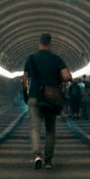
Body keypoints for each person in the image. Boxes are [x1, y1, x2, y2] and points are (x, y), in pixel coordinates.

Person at [22, 32, 72, 169]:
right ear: (50, 44)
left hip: (34, 97)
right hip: (51, 98)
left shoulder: (30, 59)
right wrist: (58, 79)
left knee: (35, 128)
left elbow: (25, 79)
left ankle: (38, 155)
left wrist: (26, 95)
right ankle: (48, 161)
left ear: (39, 43)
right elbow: (67, 76)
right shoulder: (56, 59)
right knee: (50, 130)